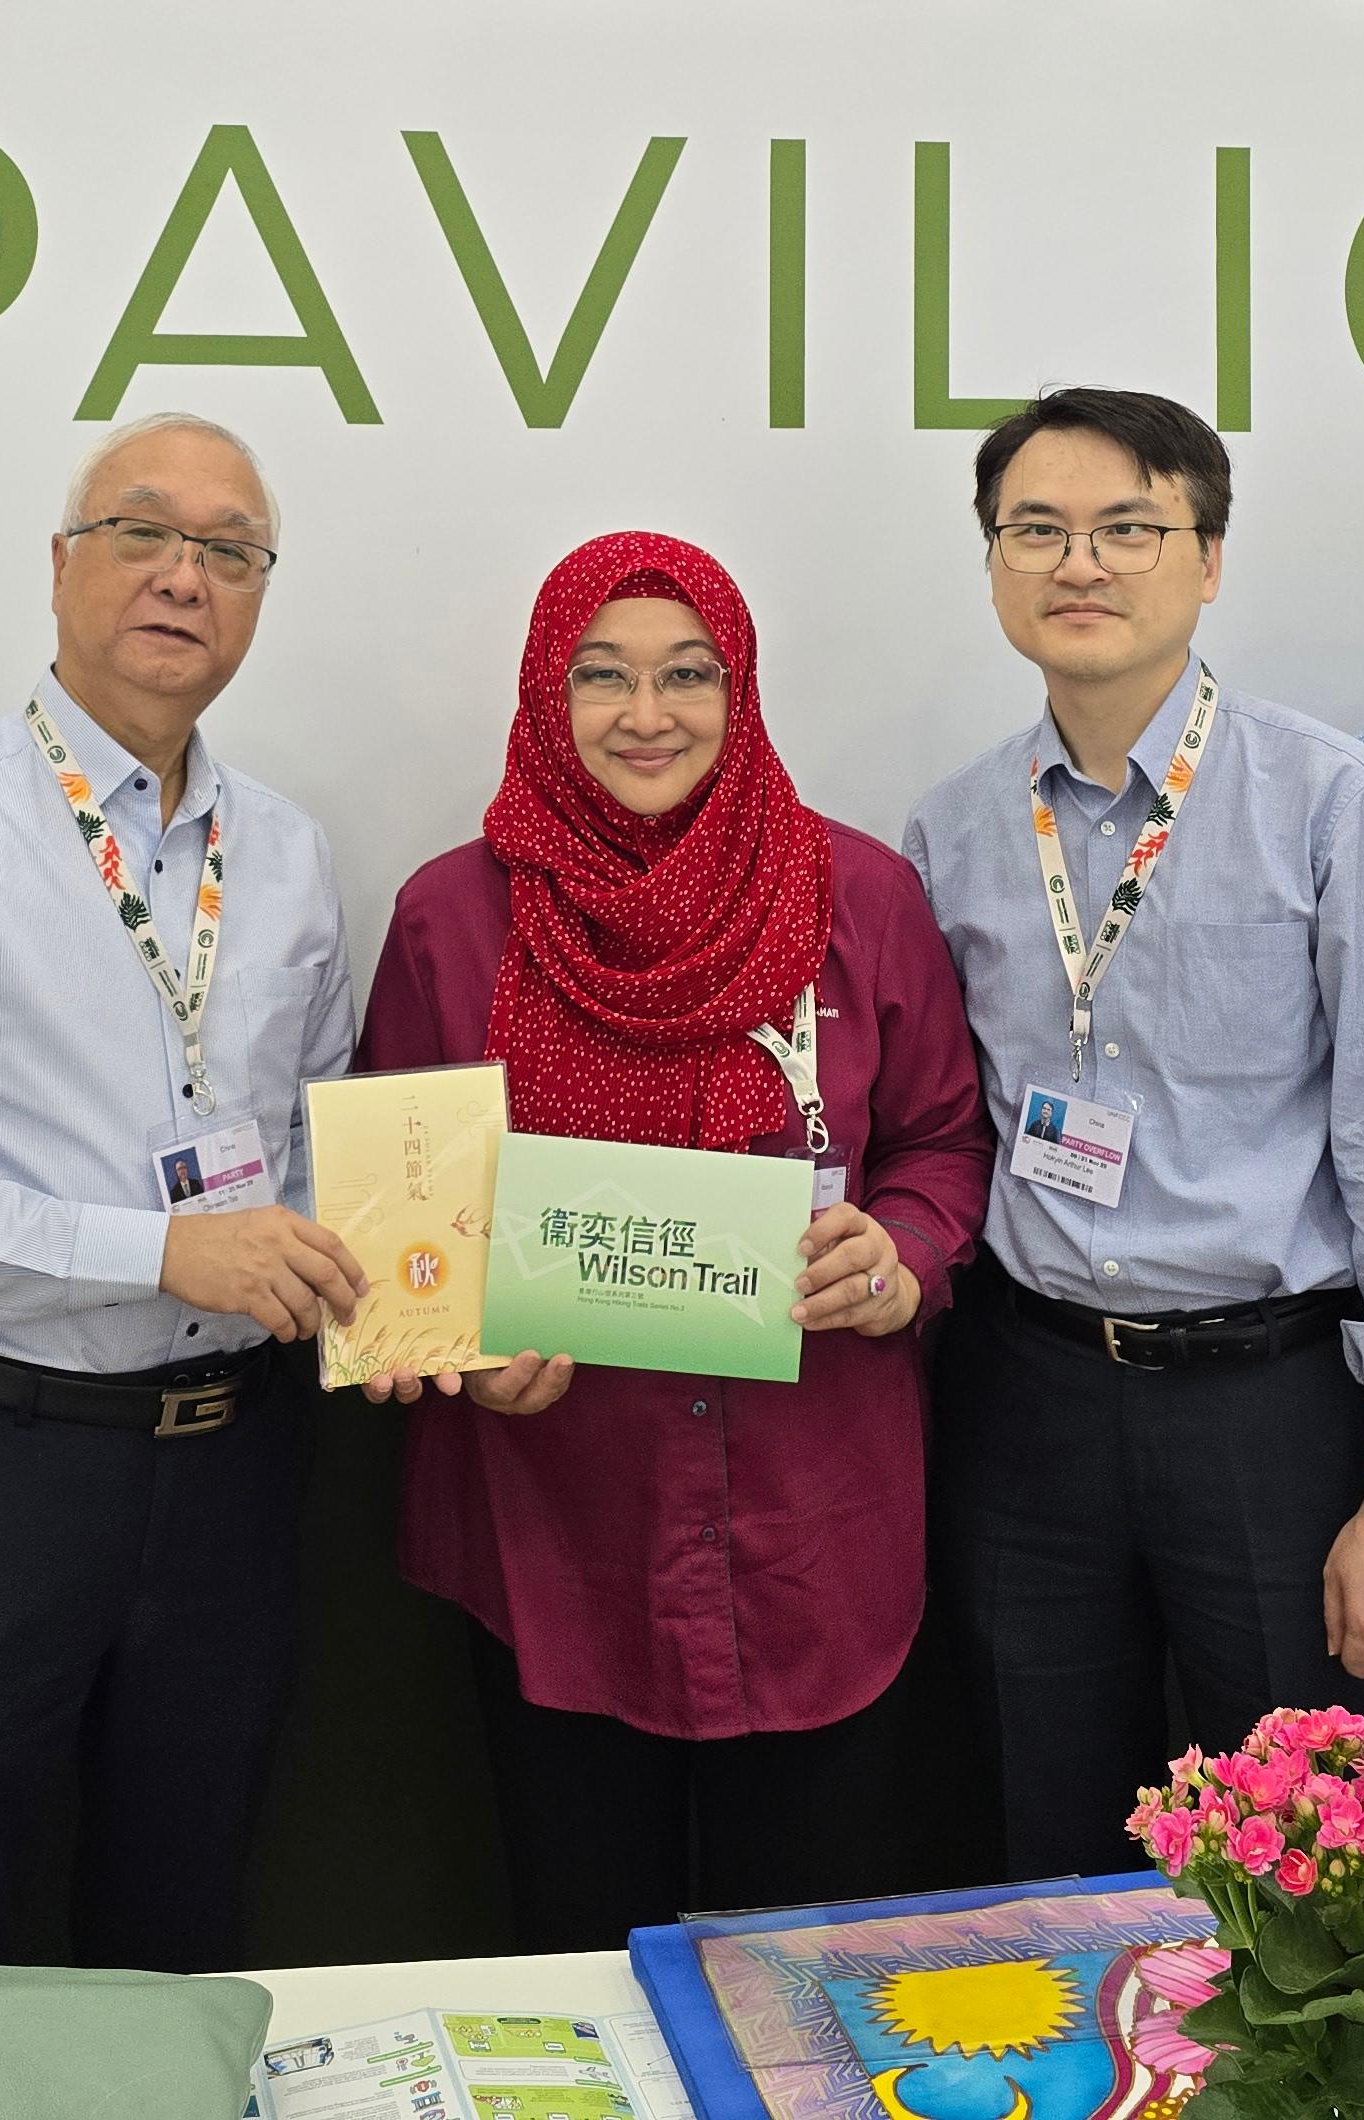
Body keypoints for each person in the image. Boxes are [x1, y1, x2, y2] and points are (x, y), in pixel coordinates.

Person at [354, 532, 990, 1952]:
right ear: (543, 693)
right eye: (604, 675)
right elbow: (401, 1226)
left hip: (815, 1521)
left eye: (690, 674)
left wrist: (901, 1253)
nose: (650, 714)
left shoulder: (860, 897)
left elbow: (944, 1142)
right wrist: (458, 1344)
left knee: (812, 1974)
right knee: (582, 1943)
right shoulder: (457, 920)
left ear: (741, 689)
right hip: (560, 1526)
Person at [0, 413, 360, 1970]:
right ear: (62, 569)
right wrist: (162, 1252)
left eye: (230, 553)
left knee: (182, 1915)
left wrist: (427, 1291)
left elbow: (312, 1163)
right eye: (144, 534)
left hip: (232, 1472)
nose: (185, 577)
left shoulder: (293, 857)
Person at [900, 389, 1364, 1878]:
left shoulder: (1337, 807)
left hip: (1268, 1407)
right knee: (1045, 1828)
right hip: (1027, 1397)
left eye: (1127, 529)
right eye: (1035, 531)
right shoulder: (956, 829)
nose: (1077, 563)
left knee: (1304, 1853)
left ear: (1207, 561)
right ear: (991, 566)